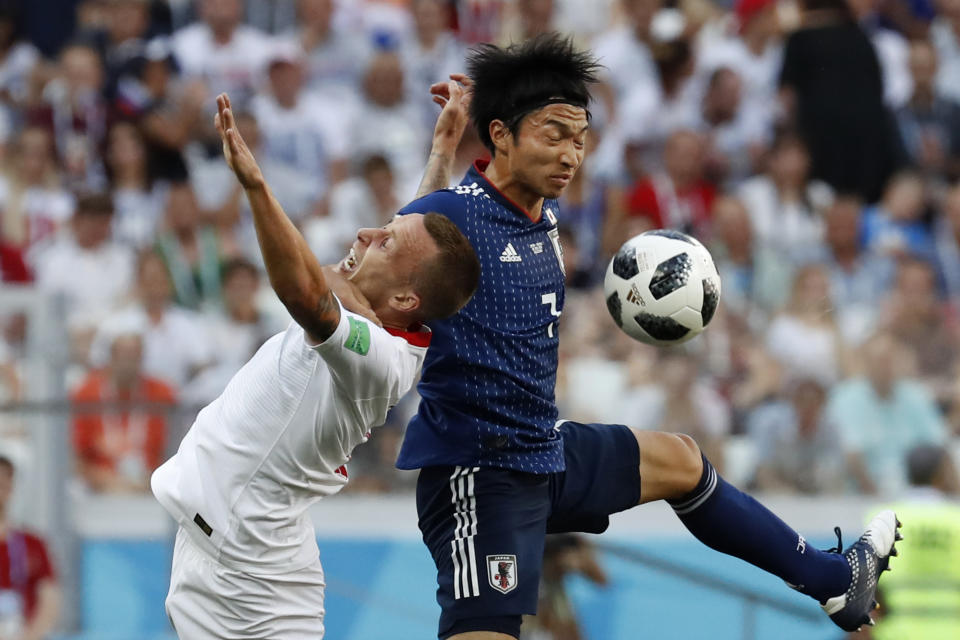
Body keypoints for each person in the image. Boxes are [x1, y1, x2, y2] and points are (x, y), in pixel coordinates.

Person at [395, 35, 900, 640]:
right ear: (501, 134)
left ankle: (832, 581)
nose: (569, 155)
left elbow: (421, 230)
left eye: (579, 139)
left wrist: (446, 148)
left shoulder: (542, 214)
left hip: (542, 452)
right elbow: (405, 255)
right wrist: (443, 149)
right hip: (477, 472)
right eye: (553, 135)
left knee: (682, 461)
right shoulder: (459, 217)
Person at [150, 90, 480, 638]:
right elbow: (413, 252)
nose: (366, 235)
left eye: (383, 244)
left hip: (250, 581)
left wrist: (256, 187)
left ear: (403, 300)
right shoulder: (386, 305)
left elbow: (306, 295)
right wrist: (442, 150)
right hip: (238, 548)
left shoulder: (381, 358)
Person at [869, 445, 960, 640]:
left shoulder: (882, 519)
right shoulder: (956, 520)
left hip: (895, 633)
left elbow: (867, 589)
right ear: (940, 474)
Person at [0, 455, 60, 639]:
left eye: (2, 484)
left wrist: (28, 637)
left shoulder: (33, 543)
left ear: (11, 487)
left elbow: (50, 601)